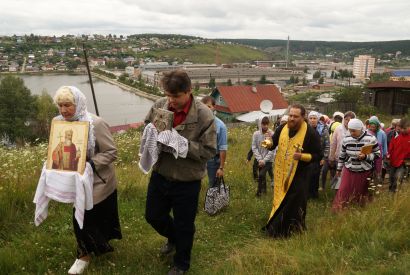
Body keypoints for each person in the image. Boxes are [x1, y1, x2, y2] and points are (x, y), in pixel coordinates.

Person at [143, 70, 216, 275]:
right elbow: (147, 125)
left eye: (176, 96)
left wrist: (181, 143)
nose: (170, 100)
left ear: (189, 91)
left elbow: (209, 151)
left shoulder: (204, 115)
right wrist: (151, 133)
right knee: (153, 216)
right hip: (160, 173)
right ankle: (174, 238)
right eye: (168, 94)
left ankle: (181, 264)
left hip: (187, 180)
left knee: (185, 224)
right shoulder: (159, 105)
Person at [53, 86, 122, 274]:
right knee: (86, 218)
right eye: (60, 105)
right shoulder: (59, 123)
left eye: (68, 105)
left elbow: (111, 152)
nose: (63, 110)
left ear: (78, 103)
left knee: (86, 217)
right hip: (75, 182)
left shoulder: (96, 124)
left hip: (99, 181)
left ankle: (84, 255)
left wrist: (90, 164)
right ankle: (92, 249)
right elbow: (57, 149)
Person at [263, 104, 322, 238]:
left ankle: (287, 231)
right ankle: (276, 227)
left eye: (295, 116)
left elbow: (318, 155)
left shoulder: (311, 133)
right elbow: (274, 143)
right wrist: (268, 142)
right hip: (280, 172)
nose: (292, 119)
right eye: (290, 115)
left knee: (293, 203)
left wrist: (302, 156)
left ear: (303, 117)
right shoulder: (283, 128)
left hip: (299, 174)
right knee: (280, 200)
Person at [332, 119, 380, 211]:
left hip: (364, 170)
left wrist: (365, 157)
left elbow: (377, 153)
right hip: (349, 168)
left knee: (360, 191)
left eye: (354, 131)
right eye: (350, 130)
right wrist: (338, 169)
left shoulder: (371, 138)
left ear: (360, 129)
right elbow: (342, 155)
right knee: (344, 190)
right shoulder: (346, 139)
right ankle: (341, 209)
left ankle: (358, 209)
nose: (351, 133)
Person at [201, 96, 228, 187]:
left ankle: (213, 201)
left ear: (213, 107)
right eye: (204, 107)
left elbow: (223, 148)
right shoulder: (198, 122)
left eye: (209, 107)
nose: (206, 109)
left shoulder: (220, 126)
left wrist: (221, 168)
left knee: (213, 186)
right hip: (199, 157)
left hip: (212, 160)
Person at [328, 111, 356, 188]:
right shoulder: (338, 129)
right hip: (339, 158)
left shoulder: (356, 130)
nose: (348, 121)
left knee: (348, 180)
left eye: (350, 120)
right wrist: (331, 157)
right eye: (346, 119)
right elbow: (333, 144)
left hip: (351, 159)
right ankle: (337, 196)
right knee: (339, 178)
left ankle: (346, 194)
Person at [307, 111, 329, 197]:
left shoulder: (323, 129)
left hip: (319, 156)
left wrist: (324, 158)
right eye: (311, 118)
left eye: (314, 118)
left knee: (316, 175)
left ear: (318, 119)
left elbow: (327, 145)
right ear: (308, 119)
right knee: (307, 174)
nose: (312, 120)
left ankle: (314, 194)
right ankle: (307, 193)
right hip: (308, 155)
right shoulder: (305, 129)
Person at [251, 116, 274, 196]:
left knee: (261, 174)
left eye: (267, 124)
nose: (265, 126)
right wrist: (260, 159)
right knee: (262, 175)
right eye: (263, 124)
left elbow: (272, 149)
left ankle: (258, 193)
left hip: (268, 160)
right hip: (259, 159)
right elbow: (254, 147)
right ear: (260, 124)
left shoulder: (271, 134)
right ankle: (264, 191)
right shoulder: (256, 134)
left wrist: (265, 160)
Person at [387, 118, 410, 192]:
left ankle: (396, 192)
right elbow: (391, 146)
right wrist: (388, 154)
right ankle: (391, 192)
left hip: (403, 162)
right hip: (393, 160)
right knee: (391, 177)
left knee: (398, 177)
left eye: (405, 128)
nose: (402, 130)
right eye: (401, 128)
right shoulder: (395, 135)